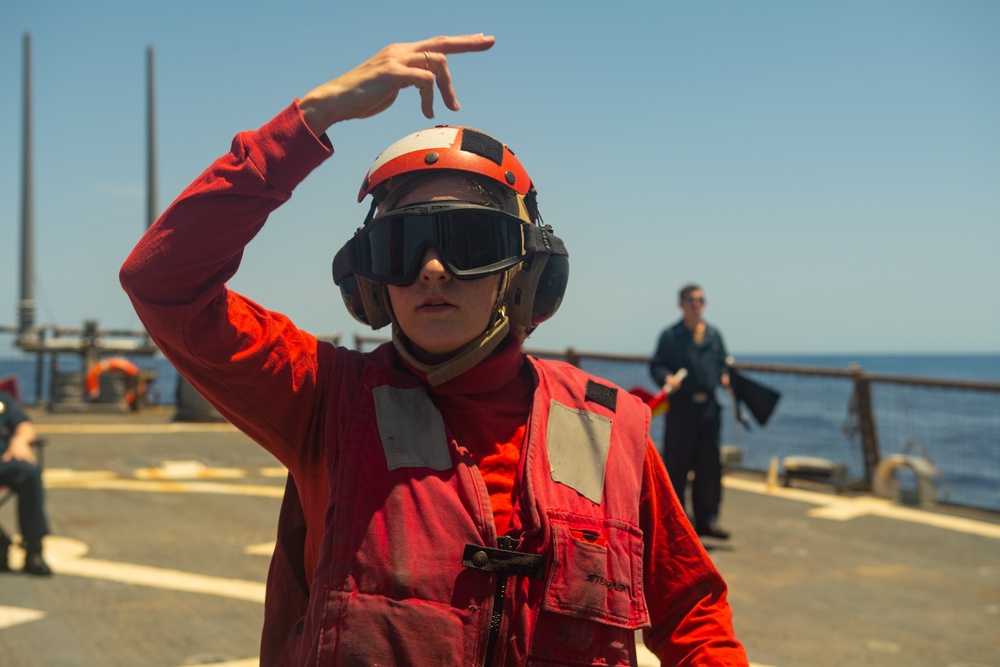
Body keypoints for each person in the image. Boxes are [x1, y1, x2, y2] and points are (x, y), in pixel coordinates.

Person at [121, 35, 748, 666]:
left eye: (470, 241)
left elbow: (692, 613)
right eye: (403, 245)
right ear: (368, 282)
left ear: (524, 272)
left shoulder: (608, 430)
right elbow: (163, 281)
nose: (433, 269)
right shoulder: (325, 401)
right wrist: (312, 117)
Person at [650, 284, 732, 541]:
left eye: (700, 299)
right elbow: (657, 365)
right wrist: (667, 377)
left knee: (710, 467)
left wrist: (725, 375)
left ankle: (708, 521)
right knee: (678, 465)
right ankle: (677, 524)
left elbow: (723, 363)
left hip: (708, 408)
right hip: (682, 408)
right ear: (681, 304)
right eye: (691, 299)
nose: (697, 304)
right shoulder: (670, 336)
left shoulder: (714, 334)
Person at [0, 390, 53, 575]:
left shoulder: (2, 400)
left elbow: (24, 426)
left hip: (3, 462)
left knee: (29, 472)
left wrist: (20, 441)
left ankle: (34, 549)